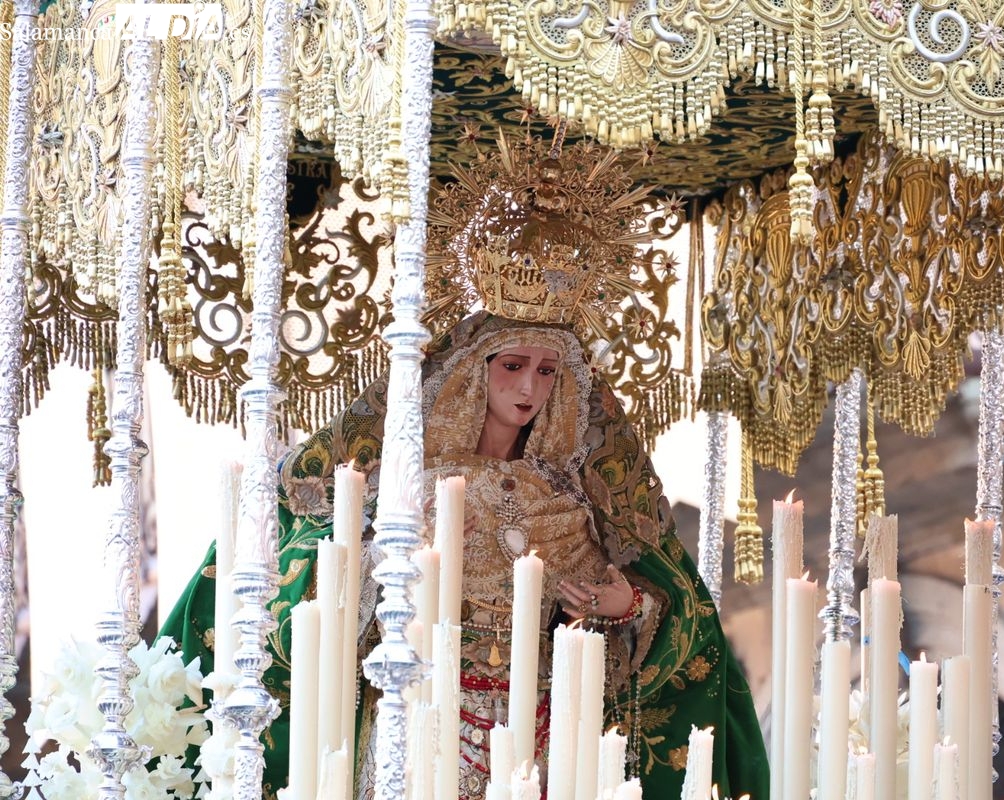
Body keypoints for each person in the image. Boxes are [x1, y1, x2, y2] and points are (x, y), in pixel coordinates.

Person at [159, 311, 769, 800]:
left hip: (543, 724)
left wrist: (625, 602)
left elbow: (637, 606)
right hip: (426, 709)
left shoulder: (563, 499)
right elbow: (342, 595)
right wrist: (394, 568)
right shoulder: (413, 487)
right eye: (512, 365)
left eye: (547, 371)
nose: (529, 387)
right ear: (473, 370)